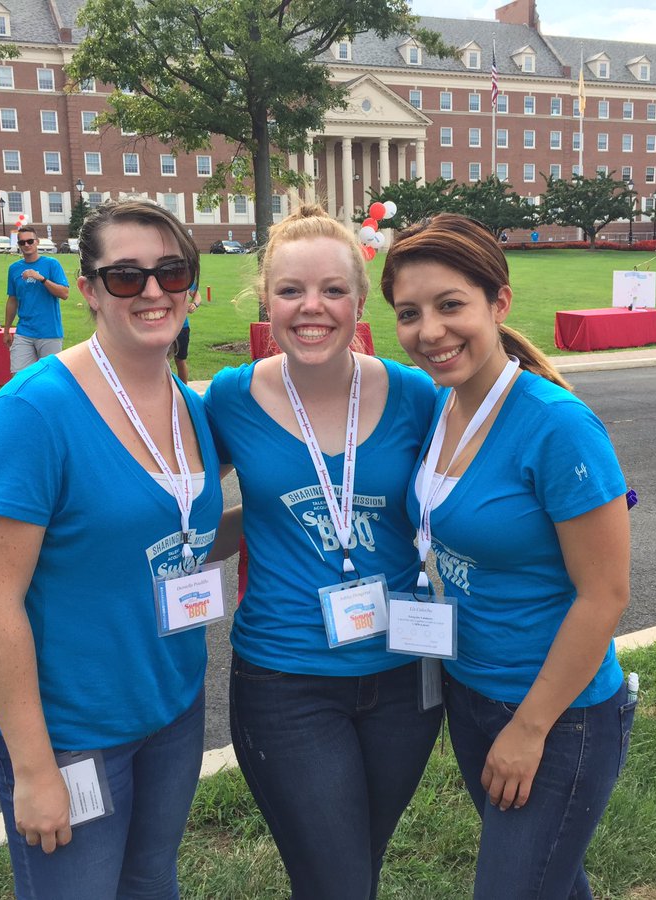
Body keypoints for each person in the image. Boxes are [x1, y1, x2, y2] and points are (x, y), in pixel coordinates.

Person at [0, 200, 223, 899]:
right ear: (89, 291)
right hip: (70, 727)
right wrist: (34, 768)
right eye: (126, 276)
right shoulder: (33, 412)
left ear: (192, 285)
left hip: (171, 703)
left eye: (172, 272)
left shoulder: (188, 404)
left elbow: (179, 536)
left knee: (151, 883)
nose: (154, 291)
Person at [381, 213, 634, 899]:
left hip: (557, 714)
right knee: (552, 880)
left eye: (450, 305)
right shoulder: (443, 407)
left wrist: (530, 727)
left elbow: (605, 594)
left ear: (499, 303)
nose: (430, 331)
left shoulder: (557, 425)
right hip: (471, 694)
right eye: (409, 313)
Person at [204, 205, 443, 900]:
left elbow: (461, 497)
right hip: (286, 678)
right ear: (266, 300)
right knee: (336, 880)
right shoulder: (230, 399)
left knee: (355, 866)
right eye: (291, 291)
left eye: (333, 290)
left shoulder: (413, 394)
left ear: (361, 301)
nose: (312, 308)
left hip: (405, 674)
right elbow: (178, 503)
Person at [3, 224, 71, 373]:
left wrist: (41, 279)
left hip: (49, 332)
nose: (27, 245)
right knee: (19, 376)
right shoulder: (14, 269)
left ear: (37, 241)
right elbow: (12, 300)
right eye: (22, 242)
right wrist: (6, 330)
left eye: (30, 241)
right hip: (24, 331)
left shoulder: (51, 264)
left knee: (50, 376)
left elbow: (64, 293)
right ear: (19, 245)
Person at [173, 284, 201, 382]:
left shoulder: (185, 278)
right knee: (161, 361)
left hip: (182, 326)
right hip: (163, 326)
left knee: (180, 360)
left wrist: (194, 304)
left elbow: (196, 295)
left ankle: (183, 388)